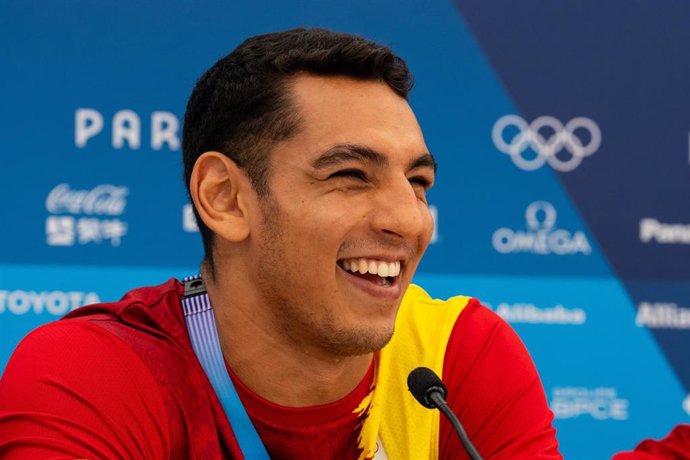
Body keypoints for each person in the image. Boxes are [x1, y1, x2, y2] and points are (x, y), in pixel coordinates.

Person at [0, 28, 561, 459]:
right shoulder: (97, 372)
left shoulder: (456, 357)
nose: (407, 220)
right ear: (225, 199)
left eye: (417, 183)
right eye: (350, 175)